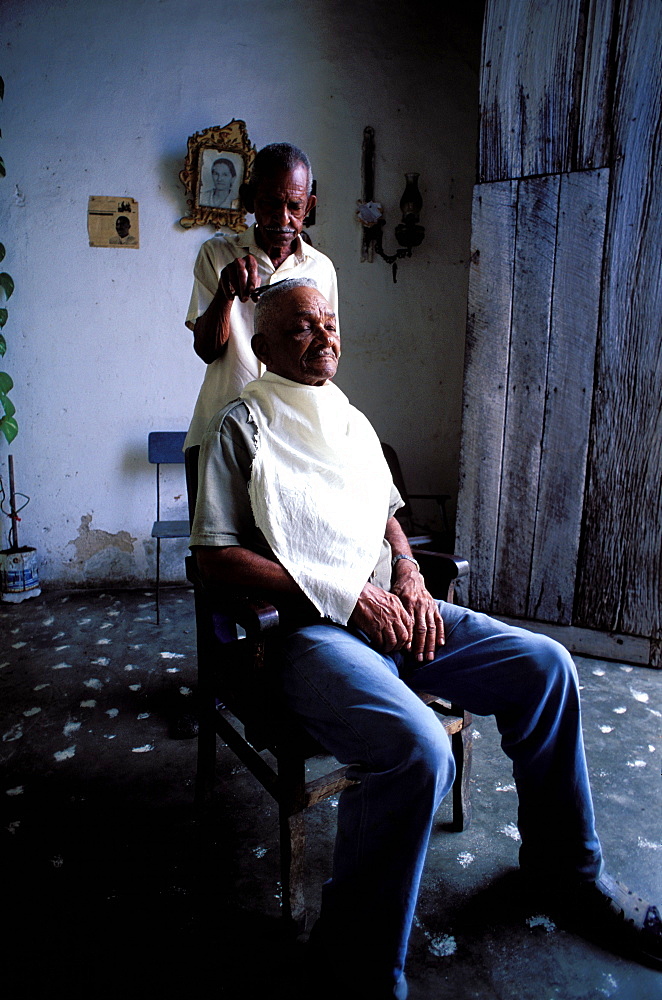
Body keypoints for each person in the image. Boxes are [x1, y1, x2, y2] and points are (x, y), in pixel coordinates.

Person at [189, 279, 662, 999]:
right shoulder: (242, 427)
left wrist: (408, 570)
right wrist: (345, 595)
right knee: (418, 748)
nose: (324, 339)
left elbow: (382, 514)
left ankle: (565, 873)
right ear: (262, 344)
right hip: (313, 634)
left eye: (330, 324)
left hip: (397, 610)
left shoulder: (346, 418)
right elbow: (214, 558)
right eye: (302, 329)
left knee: (547, 666)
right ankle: (351, 963)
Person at [183, 142, 338, 450]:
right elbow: (206, 350)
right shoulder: (217, 254)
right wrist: (225, 293)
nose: (282, 219)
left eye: (294, 207)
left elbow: (326, 356)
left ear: (309, 206)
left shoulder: (321, 268)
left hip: (289, 439)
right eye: (270, 204)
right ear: (250, 200)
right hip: (220, 430)